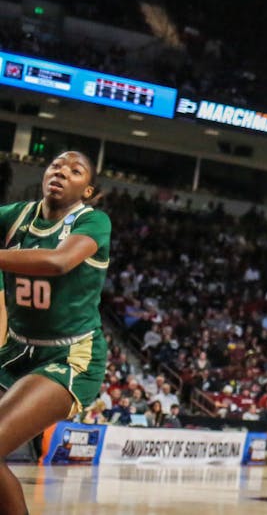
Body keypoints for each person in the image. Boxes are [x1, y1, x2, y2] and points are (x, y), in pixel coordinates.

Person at [0, 151, 111, 515]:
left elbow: (57, 261)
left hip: (69, 356)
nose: (61, 172)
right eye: (56, 166)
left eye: (74, 170)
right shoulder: (18, 216)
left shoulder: (93, 221)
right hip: (15, 350)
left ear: (87, 189)